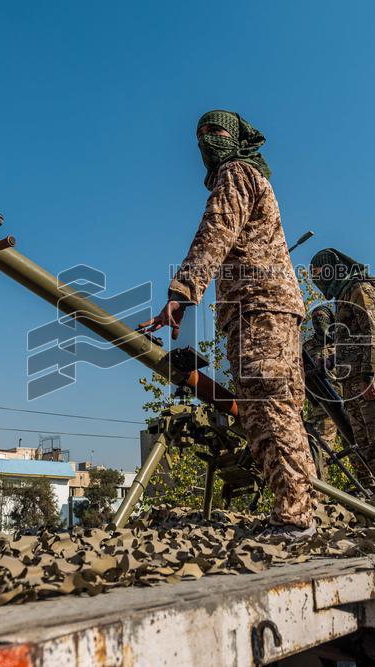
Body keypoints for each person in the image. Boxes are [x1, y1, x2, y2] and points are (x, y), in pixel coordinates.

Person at [139, 110, 316, 541]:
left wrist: (181, 292)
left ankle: (294, 517)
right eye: (201, 134)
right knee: (282, 407)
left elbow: (216, 231)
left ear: (236, 139)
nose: (207, 141)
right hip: (274, 308)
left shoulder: (236, 172)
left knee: (265, 408)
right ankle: (304, 507)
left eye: (216, 132)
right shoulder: (255, 175)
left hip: (257, 308)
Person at [309, 248, 375, 490]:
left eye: (318, 272)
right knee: (362, 442)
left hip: (367, 377)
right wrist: (330, 362)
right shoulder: (343, 295)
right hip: (350, 379)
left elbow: (372, 332)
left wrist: (370, 375)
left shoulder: (359, 288)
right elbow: (351, 340)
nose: (316, 279)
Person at [303, 304, 338, 447]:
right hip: (320, 406)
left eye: (322, 317)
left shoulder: (341, 343)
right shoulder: (307, 347)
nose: (319, 321)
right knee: (319, 448)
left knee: (359, 450)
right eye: (315, 318)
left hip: (346, 401)